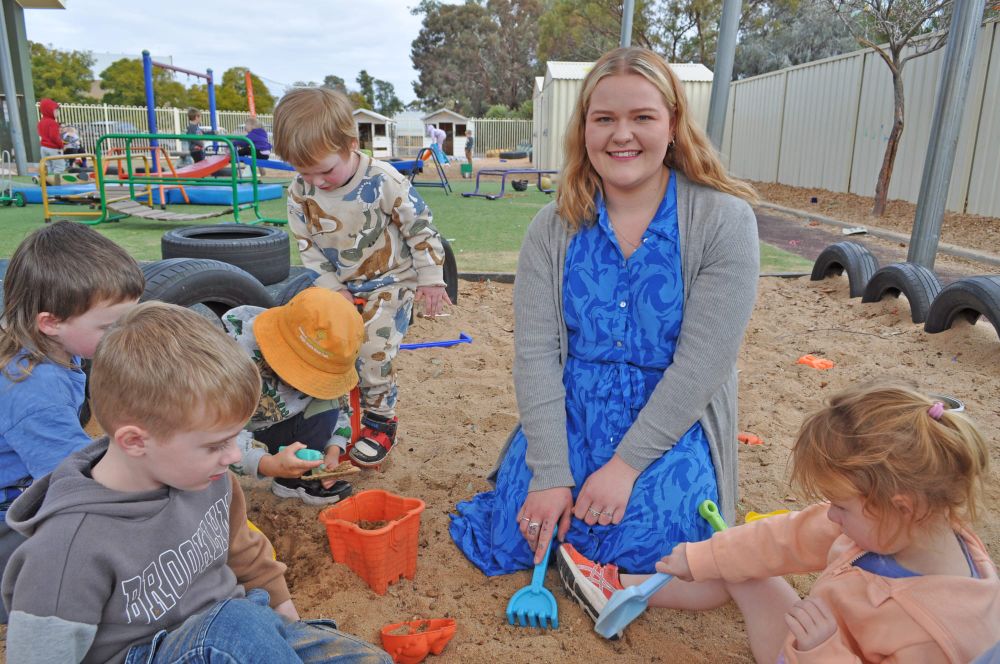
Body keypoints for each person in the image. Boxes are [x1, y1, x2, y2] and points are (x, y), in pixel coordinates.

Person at [450, 46, 760, 577]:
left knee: (661, 545)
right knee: (525, 531)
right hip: (569, 413)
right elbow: (536, 355)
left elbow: (703, 364)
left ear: (673, 123)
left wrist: (624, 468)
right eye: (605, 119)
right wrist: (549, 472)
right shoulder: (552, 228)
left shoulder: (724, 220)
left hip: (669, 419)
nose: (622, 135)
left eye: (642, 117)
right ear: (584, 129)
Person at [1, 302, 393, 664]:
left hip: (238, 636)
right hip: (174, 648)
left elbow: (250, 558)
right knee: (232, 627)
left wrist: (293, 631)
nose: (235, 456)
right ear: (136, 441)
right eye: (215, 444)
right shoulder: (68, 548)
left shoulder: (211, 477)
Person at [562, 383, 1000, 661]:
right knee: (737, 561)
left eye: (841, 507)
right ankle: (620, 586)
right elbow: (786, 537)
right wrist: (703, 556)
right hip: (814, 635)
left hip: (809, 652)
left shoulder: (937, 634)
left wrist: (824, 651)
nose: (831, 516)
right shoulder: (890, 526)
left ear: (901, 506)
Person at [273, 87, 450, 469]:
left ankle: (380, 422)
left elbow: (420, 228)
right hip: (338, 283)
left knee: (372, 352)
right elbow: (308, 246)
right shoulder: (300, 191)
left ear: (351, 145)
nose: (316, 181)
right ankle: (332, 420)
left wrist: (432, 279)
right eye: (303, 171)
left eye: (325, 170)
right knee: (328, 347)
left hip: (392, 281)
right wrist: (332, 289)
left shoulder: (383, 180)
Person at [0, 221, 143, 623]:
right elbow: (72, 481)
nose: (122, 335)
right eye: (109, 327)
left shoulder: (51, 346)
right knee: (93, 566)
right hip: (10, 515)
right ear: (51, 321)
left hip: (24, 485)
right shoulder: (35, 392)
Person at [225, 287, 365, 505]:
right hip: (241, 433)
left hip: (283, 430)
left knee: (328, 400)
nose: (309, 384)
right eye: (307, 374)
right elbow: (217, 434)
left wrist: (333, 451)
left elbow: (340, 403)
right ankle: (284, 470)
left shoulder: (327, 353)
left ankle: (294, 480)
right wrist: (266, 464)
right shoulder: (234, 362)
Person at [37, 98, 67, 181]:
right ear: (49, 110)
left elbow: (40, 133)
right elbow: (54, 137)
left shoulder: (41, 122)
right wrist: (61, 145)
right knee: (59, 167)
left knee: (49, 167)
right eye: (56, 110)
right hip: (53, 148)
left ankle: (48, 182)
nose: (58, 112)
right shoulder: (52, 122)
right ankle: (57, 183)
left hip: (43, 147)